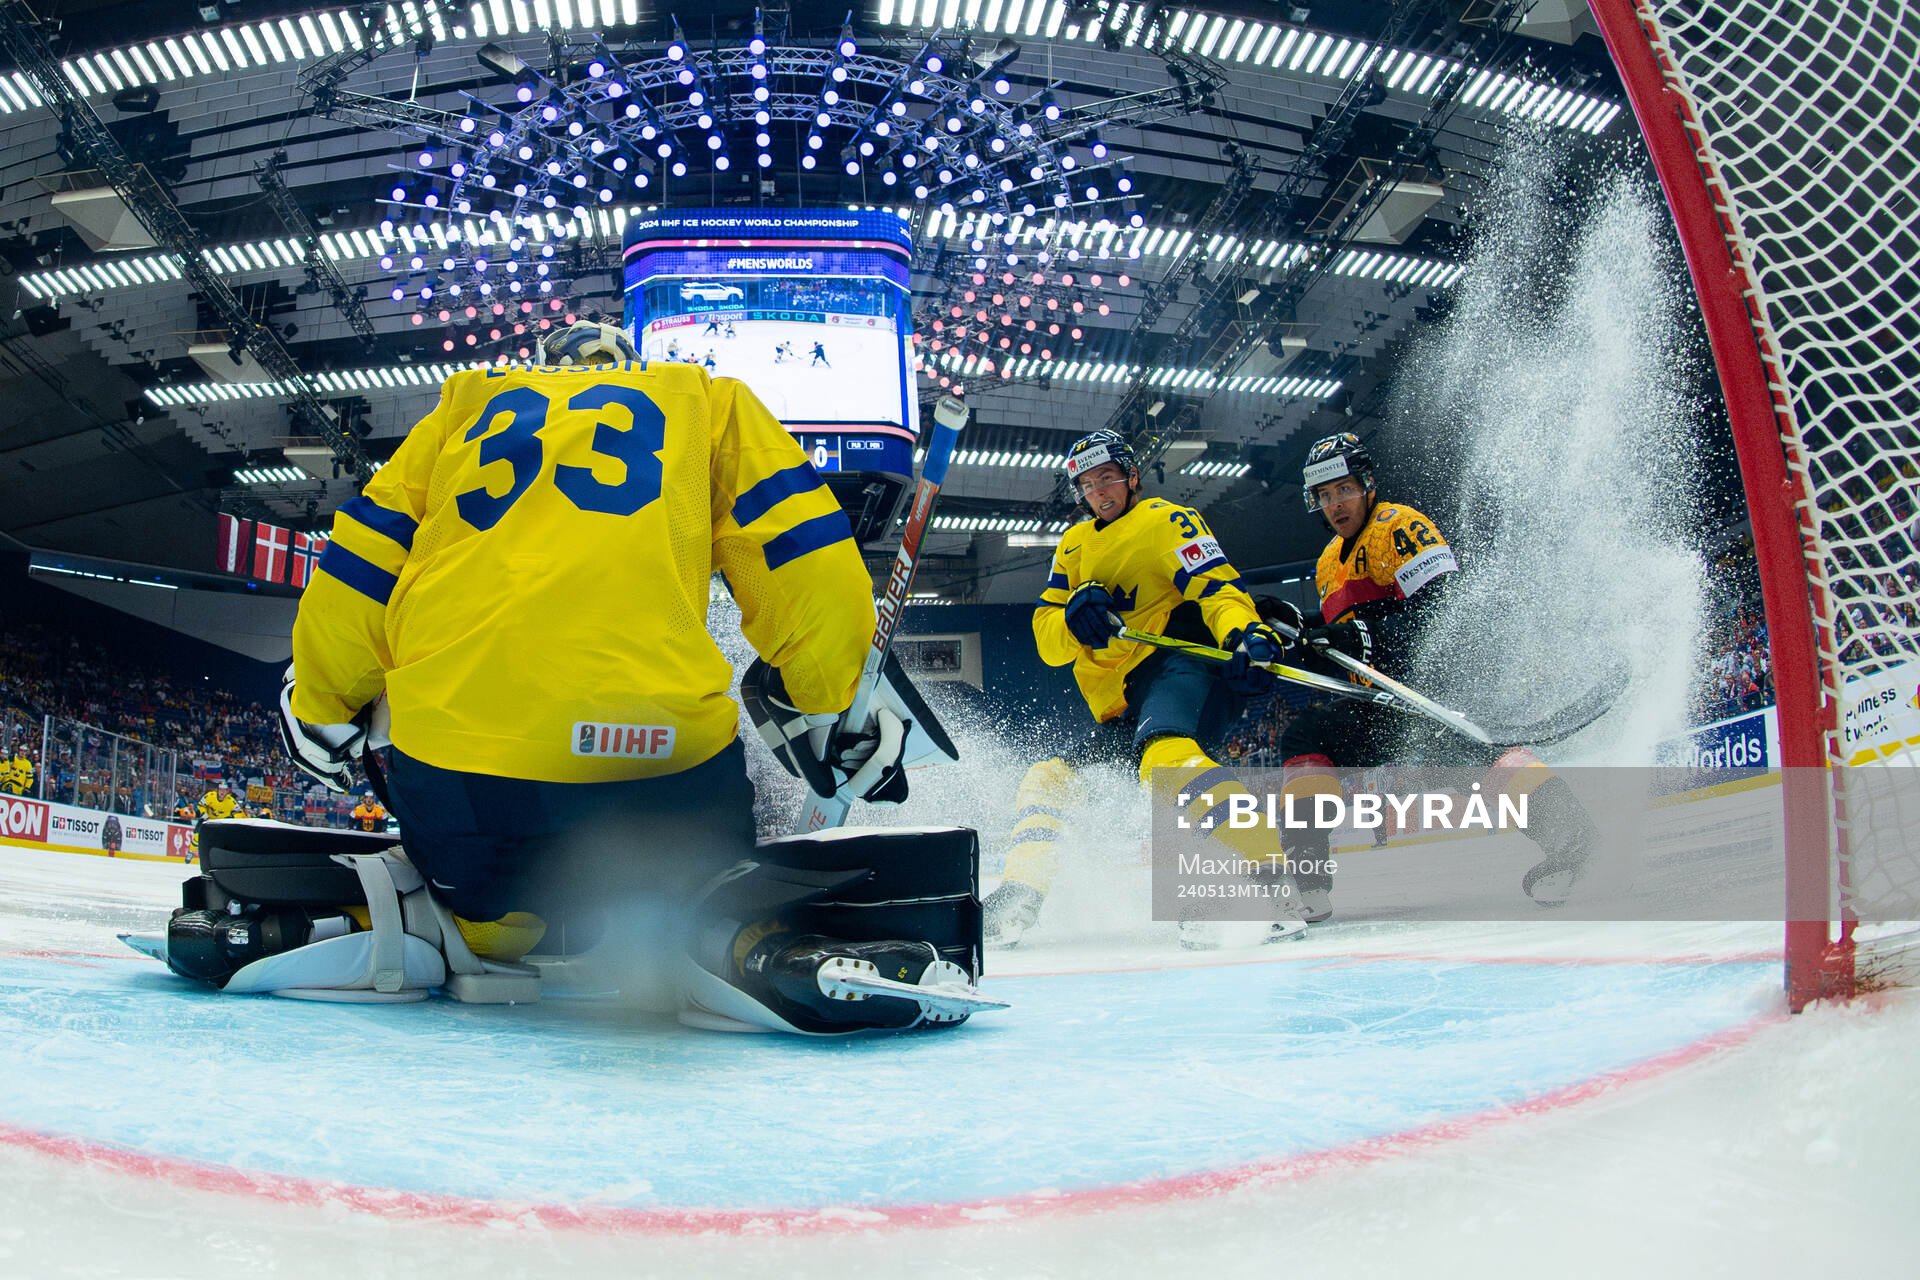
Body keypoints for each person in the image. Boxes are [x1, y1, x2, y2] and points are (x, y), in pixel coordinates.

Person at [237, 319, 990, 1032]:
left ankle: (452, 923)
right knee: (696, 882)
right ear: (628, 364)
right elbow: (805, 560)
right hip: (660, 766)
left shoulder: (464, 411)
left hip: (467, 767)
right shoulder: (705, 401)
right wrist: (830, 706)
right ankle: (731, 935)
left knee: (476, 879)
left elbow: (358, 570)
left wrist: (324, 703)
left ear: (540, 364)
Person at [983, 429, 1300, 949]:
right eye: (1086, 483)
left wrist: (1246, 636)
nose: (1098, 491)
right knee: (1049, 778)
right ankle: (1019, 898)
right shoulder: (1073, 546)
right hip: (1123, 699)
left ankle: (1269, 886)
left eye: (1107, 477)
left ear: (1131, 476)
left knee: (1165, 757)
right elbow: (1049, 643)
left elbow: (1218, 588)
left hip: (1177, 665)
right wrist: (1075, 620)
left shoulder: (1167, 521)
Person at [1271, 433, 1598, 918]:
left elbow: (1443, 613)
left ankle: (1575, 840)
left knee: (1479, 759)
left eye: (1343, 489)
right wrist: (1304, 635)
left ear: (1367, 484)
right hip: (1381, 703)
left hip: (1434, 689)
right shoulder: (1325, 565)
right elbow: (1350, 645)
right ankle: (1308, 880)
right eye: (1324, 495)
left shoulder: (1400, 527)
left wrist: (1357, 636)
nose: (1335, 504)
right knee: (1304, 737)